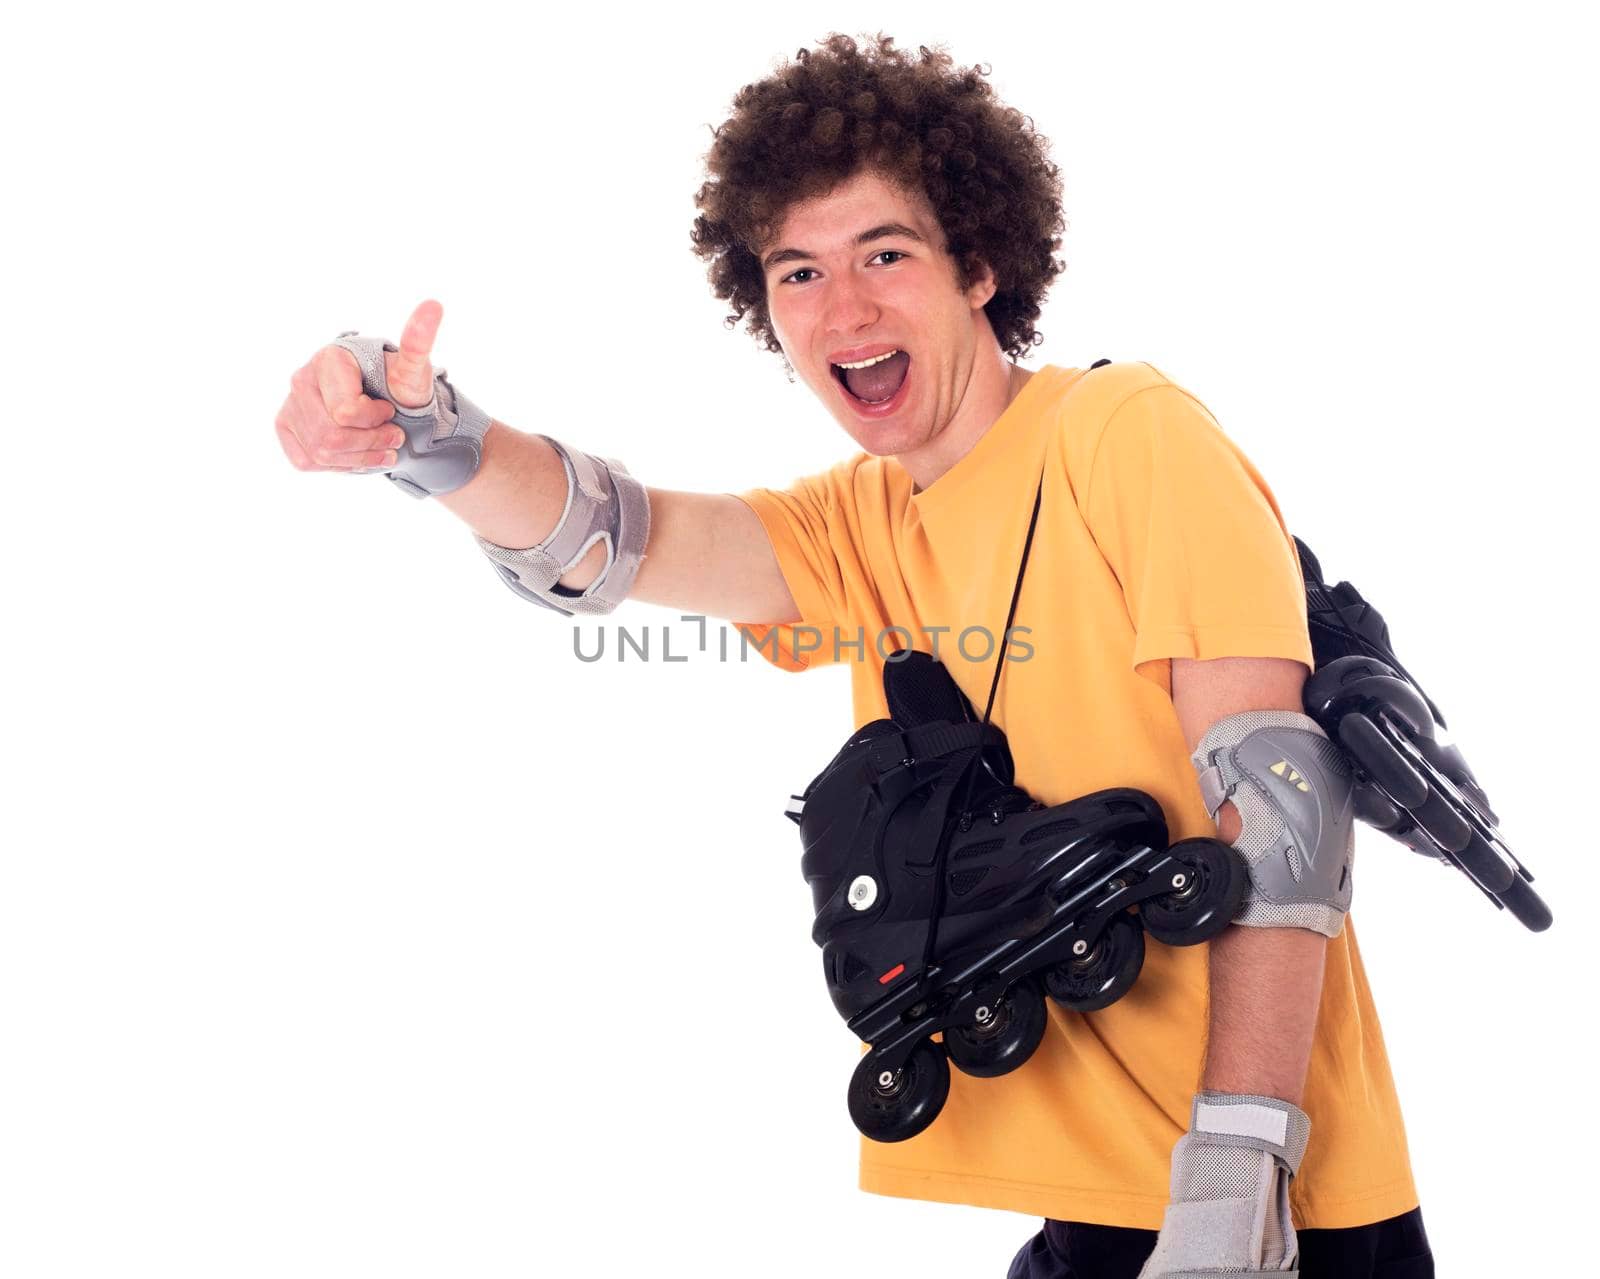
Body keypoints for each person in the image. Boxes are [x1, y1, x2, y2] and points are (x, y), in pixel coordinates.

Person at [272, 34, 1434, 1278]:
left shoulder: (1125, 435)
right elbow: (621, 535)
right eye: (799, 271)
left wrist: (1235, 1177)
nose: (846, 308)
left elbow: (1282, 806)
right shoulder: (859, 522)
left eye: (885, 253)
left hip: (1278, 1206)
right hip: (1100, 1203)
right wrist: (433, 436)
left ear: (978, 264)